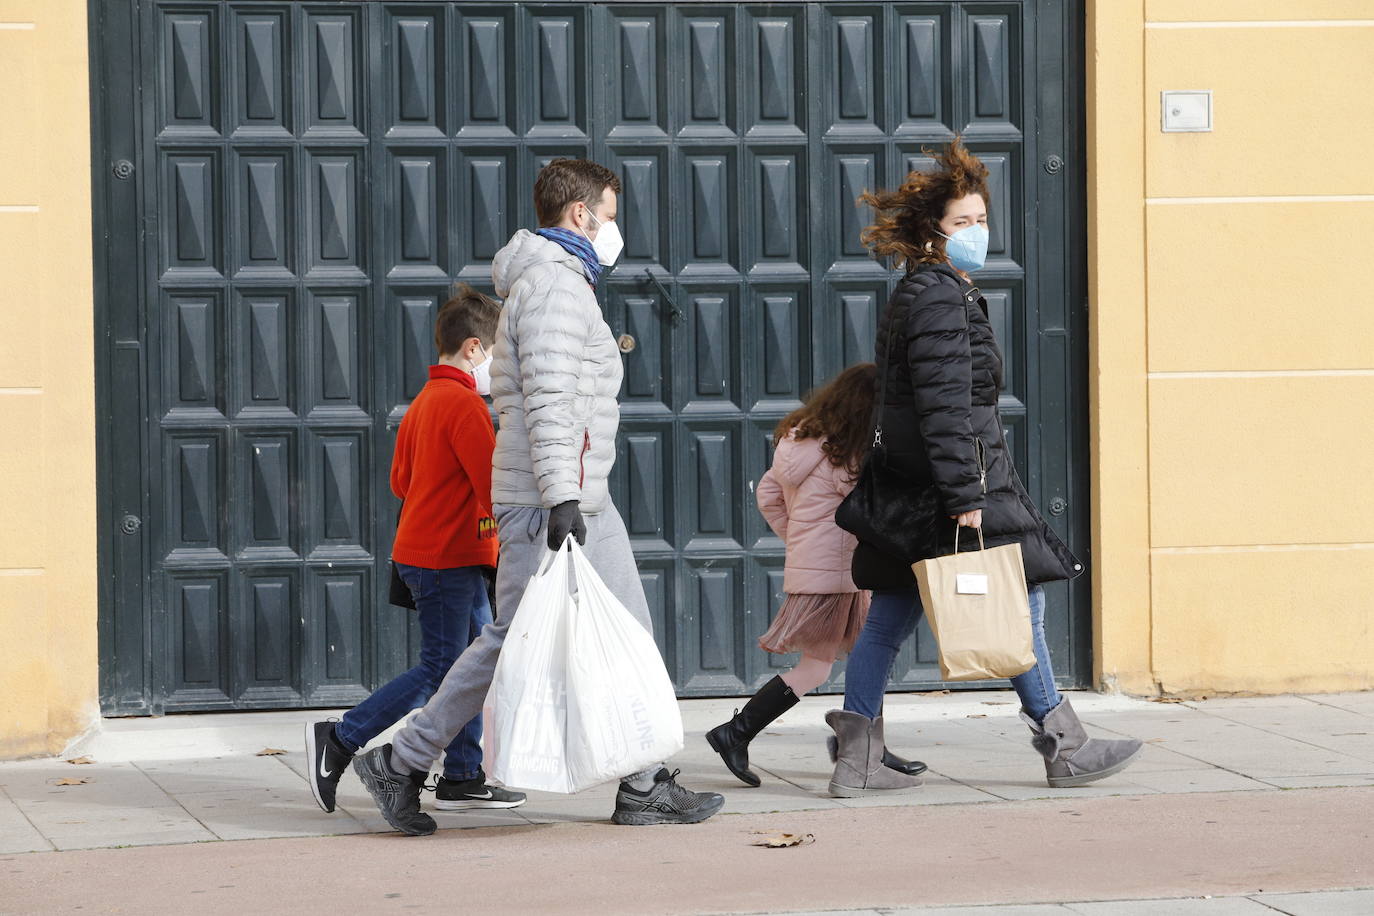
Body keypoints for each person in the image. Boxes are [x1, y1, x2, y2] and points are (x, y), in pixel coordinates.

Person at [351, 158, 725, 834]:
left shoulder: (562, 282)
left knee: (627, 634)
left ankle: (643, 783)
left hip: (580, 492)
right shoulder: (554, 287)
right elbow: (550, 396)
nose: (615, 229)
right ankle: (402, 760)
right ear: (579, 214)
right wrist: (560, 497)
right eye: (610, 214)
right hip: (552, 498)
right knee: (510, 641)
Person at [826, 138, 1143, 796]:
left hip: (915, 489)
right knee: (1020, 601)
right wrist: (965, 493)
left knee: (888, 617)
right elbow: (944, 406)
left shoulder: (925, 291)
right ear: (933, 234)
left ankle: (856, 760)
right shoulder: (941, 297)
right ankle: (1065, 744)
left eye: (981, 219)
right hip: (955, 484)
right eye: (962, 223)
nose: (977, 232)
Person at [305, 286, 525, 815]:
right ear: (474, 349)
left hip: (426, 556)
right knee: (444, 671)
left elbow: (400, 482)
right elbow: (490, 488)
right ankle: (341, 738)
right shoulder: (467, 406)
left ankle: (463, 774)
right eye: (495, 354)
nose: (497, 367)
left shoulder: (424, 402)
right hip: (448, 559)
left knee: (470, 665)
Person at [704, 364, 927, 789]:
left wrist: (800, 539)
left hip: (821, 568)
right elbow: (871, 508)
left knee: (867, 657)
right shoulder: (847, 454)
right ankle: (735, 732)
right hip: (838, 574)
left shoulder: (800, 442)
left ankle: (863, 747)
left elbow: (768, 493)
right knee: (819, 668)